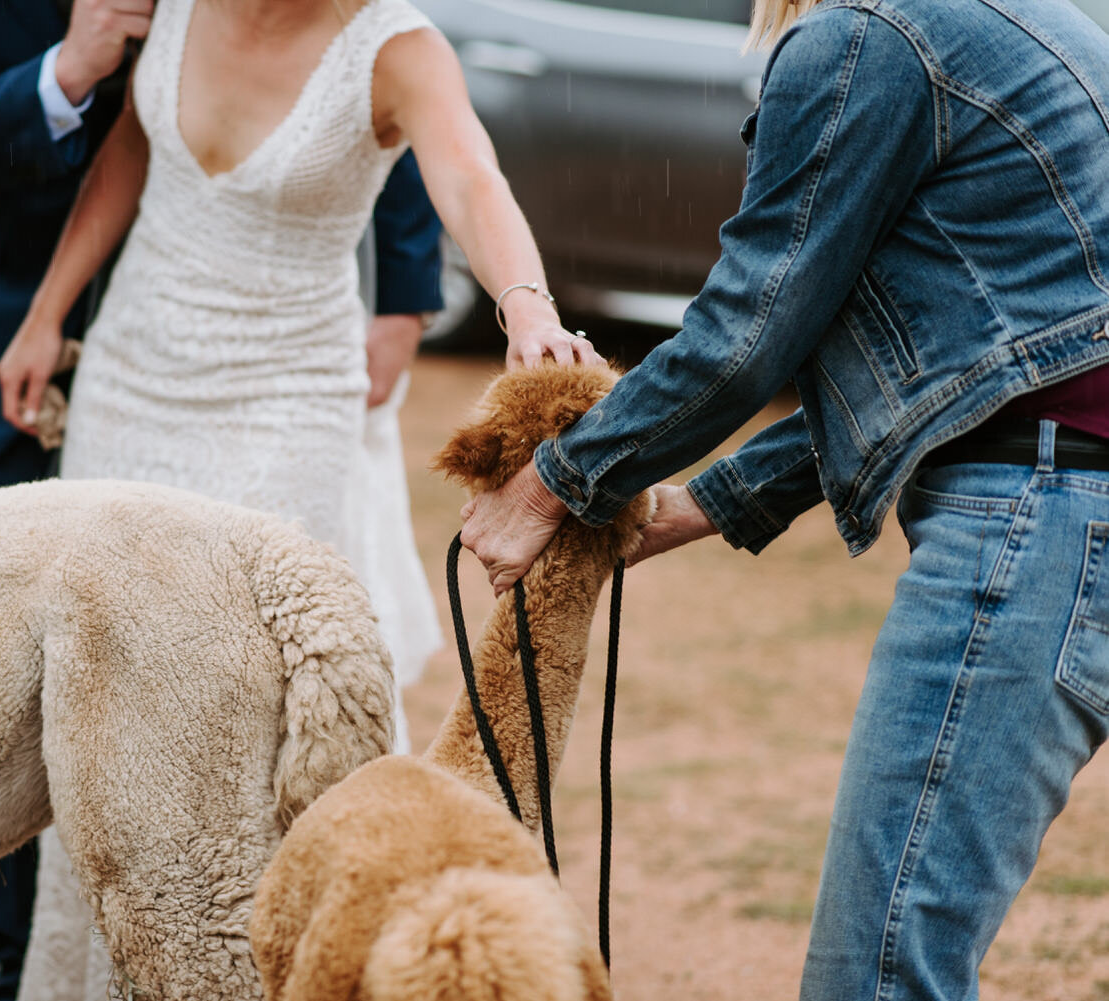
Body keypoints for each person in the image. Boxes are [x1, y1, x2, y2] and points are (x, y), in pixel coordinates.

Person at [461, 0, 1109, 998]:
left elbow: (747, 329)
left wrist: (555, 479)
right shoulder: (1023, 20)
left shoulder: (864, 35)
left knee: (880, 978)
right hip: (1073, 505)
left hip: (1042, 512)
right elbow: (964, 371)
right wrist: (697, 503)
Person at [0, 0, 603, 995]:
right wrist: (46, 313)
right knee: (110, 697)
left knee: (260, 710)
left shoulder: (396, 47)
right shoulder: (173, 7)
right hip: (131, 378)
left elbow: (468, 172)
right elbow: (130, 155)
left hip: (284, 398)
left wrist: (524, 304)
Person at [0, 1, 449, 998]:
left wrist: (405, 284)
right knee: (38, 693)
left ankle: (263, 947)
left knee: (239, 680)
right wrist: (65, 74)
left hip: (247, 340)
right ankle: (31, 965)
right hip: (20, 345)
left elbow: (346, 35)